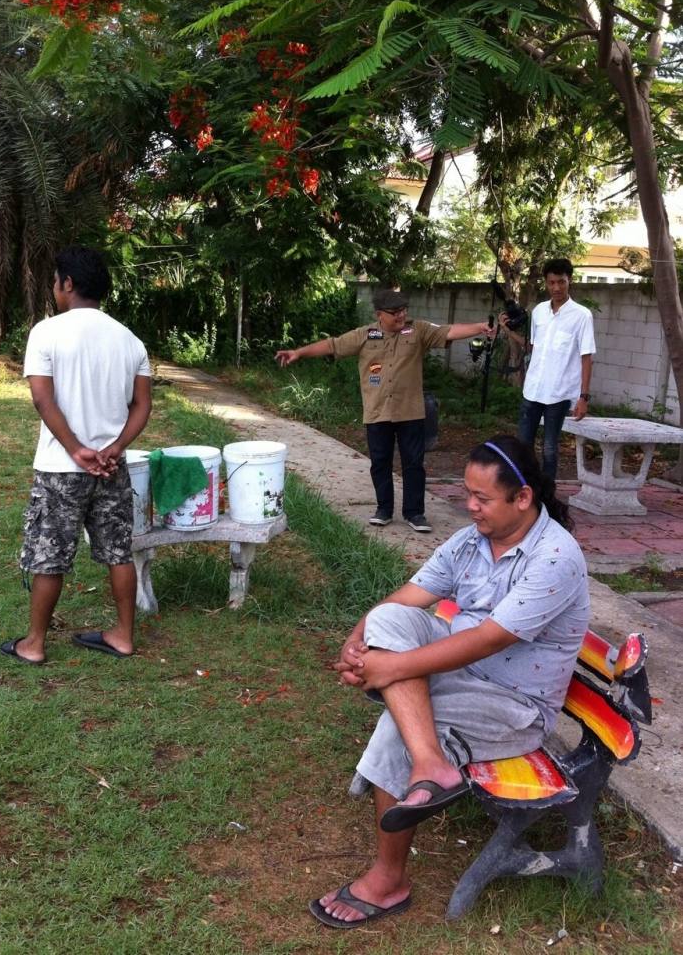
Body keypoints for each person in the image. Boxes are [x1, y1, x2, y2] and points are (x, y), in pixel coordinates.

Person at [309, 435, 590, 928]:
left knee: (398, 723)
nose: (470, 507)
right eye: (468, 494)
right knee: (388, 624)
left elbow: (488, 639)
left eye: (482, 498)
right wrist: (358, 642)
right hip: (461, 674)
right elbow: (409, 597)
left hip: (514, 705)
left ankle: (389, 879)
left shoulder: (555, 557)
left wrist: (389, 668)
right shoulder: (472, 541)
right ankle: (431, 763)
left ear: (522, 497)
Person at [0, 246, 152, 665]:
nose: (54, 288)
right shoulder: (130, 340)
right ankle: (122, 635)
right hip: (110, 467)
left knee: (50, 556)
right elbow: (142, 406)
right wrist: (113, 449)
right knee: (118, 551)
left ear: (68, 284)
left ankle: (33, 643)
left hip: (61, 468)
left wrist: (75, 450)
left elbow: (42, 398)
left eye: (55, 281)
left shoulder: (46, 333)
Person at [275, 289, 494, 532]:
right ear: (380, 314)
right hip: (377, 411)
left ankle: (414, 513)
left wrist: (480, 327)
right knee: (380, 462)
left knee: (414, 463)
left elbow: (449, 331)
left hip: (410, 411)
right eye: (394, 312)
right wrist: (298, 353)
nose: (401, 316)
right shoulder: (366, 335)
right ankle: (384, 509)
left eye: (403, 310)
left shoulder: (418, 330)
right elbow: (332, 345)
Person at [500, 258, 595, 480]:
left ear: (569, 280)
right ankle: (525, 490)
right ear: (546, 282)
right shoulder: (539, 312)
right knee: (523, 447)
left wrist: (584, 397)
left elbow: (587, 358)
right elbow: (532, 346)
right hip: (532, 390)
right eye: (551, 282)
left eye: (561, 282)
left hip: (559, 394)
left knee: (550, 450)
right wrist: (507, 331)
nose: (556, 288)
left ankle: (547, 496)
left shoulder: (582, 316)